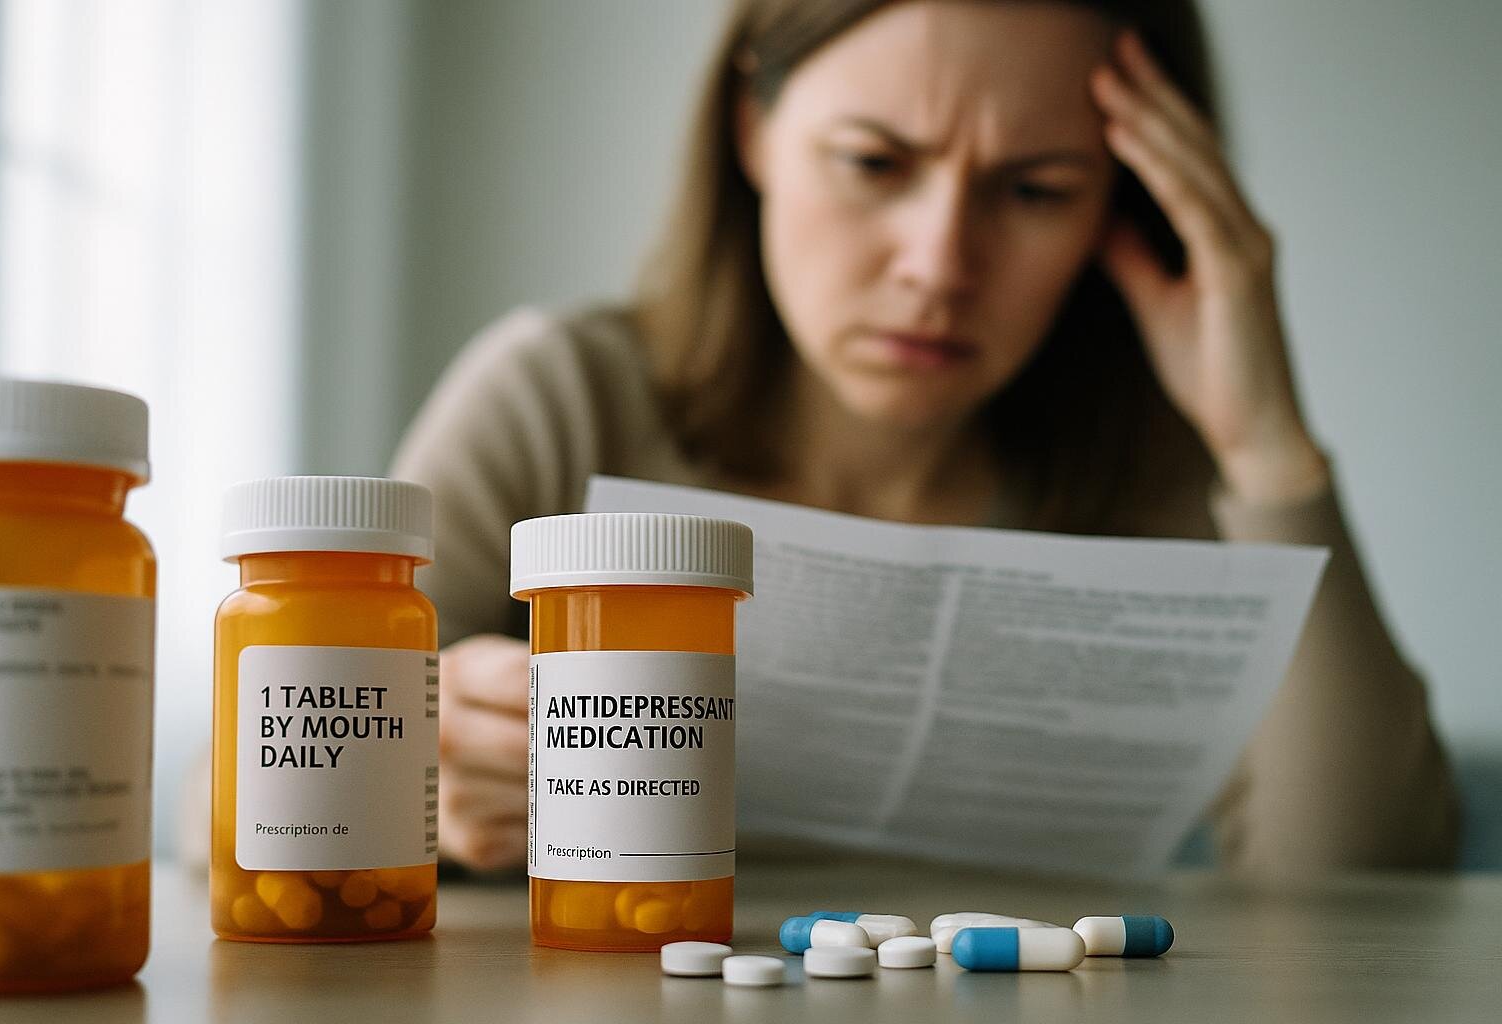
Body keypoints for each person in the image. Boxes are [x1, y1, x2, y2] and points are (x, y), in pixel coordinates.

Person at [393, 0, 1459, 878]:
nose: (941, 264)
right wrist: (423, 771)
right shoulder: (562, 397)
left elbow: (1372, 886)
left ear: (1124, 208)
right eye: (872, 162)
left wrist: (1266, 441)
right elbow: (239, 821)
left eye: (1036, 190)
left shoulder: (1168, 475)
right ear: (752, 129)